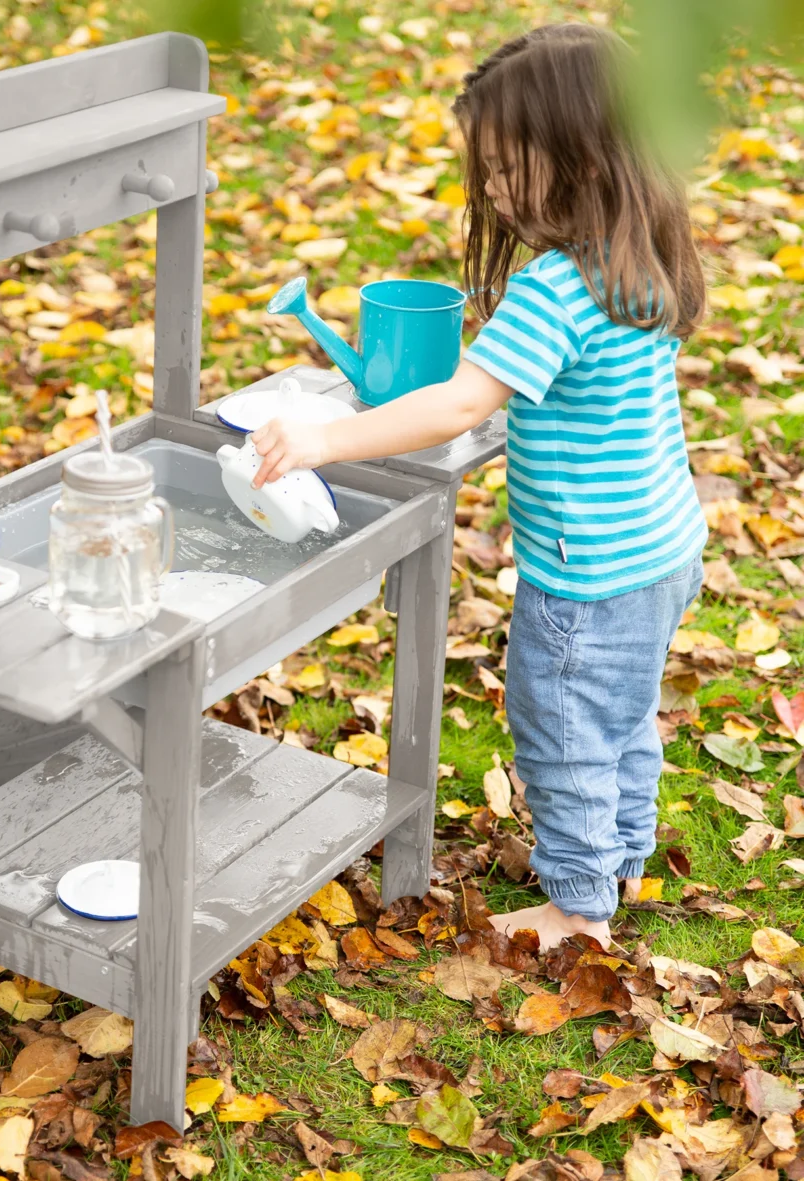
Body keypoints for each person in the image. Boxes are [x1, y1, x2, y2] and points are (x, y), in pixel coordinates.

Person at [250, 23, 707, 951]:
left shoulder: (556, 289)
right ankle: (619, 850)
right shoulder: (641, 256)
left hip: (588, 573)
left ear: (578, 157)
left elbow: (460, 404)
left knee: (562, 728)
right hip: (663, 548)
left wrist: (322, 438)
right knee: (621, 714)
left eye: (505, 167)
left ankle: (578, 906)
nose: (491, 188)